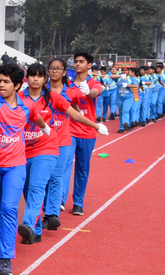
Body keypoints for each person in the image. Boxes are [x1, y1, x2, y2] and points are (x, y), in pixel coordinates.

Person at [17, 64, 106, 246]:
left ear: (44, 79)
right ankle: (37, 229)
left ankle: (33, 221)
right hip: (24, 149)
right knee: (27, 189)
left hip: (46, 147)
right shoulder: (18, 98)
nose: (35, 79)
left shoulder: (53, 97)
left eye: (39, 76)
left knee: (39, 186)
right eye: (32, 75)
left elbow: (74, 114)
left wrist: (96, 126)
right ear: (27, 78)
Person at [0, 64, 49, 275]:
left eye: (6, 81)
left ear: (18, 85)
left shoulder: (26, 106)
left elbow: (36, 117)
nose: (1, 84)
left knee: (10, 208)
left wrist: (45, 128)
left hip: (15, 166)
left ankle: (6, 258)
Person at [62, 52, 103, 216]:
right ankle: (59, 200)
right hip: (70, 130)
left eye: (81, 61)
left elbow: (94, 93)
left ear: (89, 65)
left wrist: (87, 92)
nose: (77, 64)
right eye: (75, 61)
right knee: (64, 164)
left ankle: (78, 203)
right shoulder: (68, 84)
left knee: (82, 169)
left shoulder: (95, 83)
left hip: (87, 132)